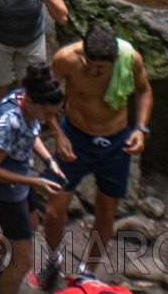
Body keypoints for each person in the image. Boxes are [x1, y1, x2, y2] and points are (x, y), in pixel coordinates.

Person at [45, 24, 153, 278]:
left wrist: (141, 129)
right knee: (53, 209)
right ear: (82, 52)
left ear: (115, 59)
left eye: (101, 69)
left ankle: (88, 270)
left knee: (106, 212)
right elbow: (44, 96)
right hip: (75, 137)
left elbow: (144, 90)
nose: (93, 72)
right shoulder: (65, 59)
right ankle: (52, 259)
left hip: (116, 143)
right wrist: (58, 135)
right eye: (89, 65)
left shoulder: (130, 58)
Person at [0, 65, 70, 294]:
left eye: (54, 114)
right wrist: (35, 182)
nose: (50, 120)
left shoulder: (22, 98)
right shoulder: (8, 123)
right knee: (23, 262)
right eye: (47, 114)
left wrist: (49, 161)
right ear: (30, 102)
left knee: (32, 223)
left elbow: (31, 133)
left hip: (19, 181)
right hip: (3, 190)